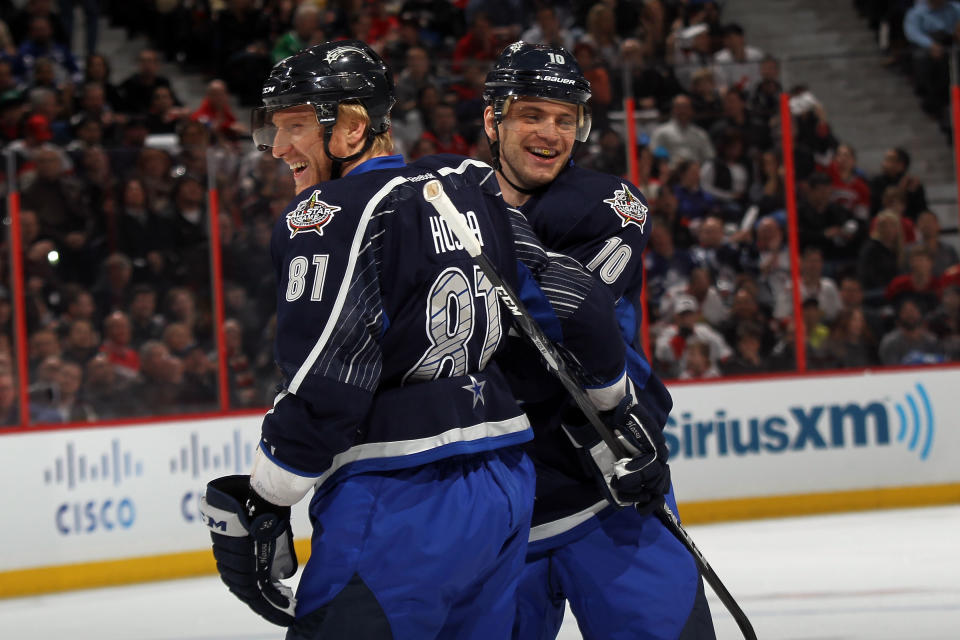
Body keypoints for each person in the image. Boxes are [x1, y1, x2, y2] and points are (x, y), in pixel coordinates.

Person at [200, 41, 641, 639]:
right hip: (506, 489)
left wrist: (269, 496)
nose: (278, 147)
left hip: (401, 498)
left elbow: (330, 380)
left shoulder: (330, 212)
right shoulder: (467, 184)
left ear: (352, 128)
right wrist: (614, 406)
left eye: (296, 125)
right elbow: (579, 306)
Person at [481, 42, 716, 639]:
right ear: (493, 120)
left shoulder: (612, 207)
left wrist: (485, 232)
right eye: (532, 114)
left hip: (611, 490)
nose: (551, 133)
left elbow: (565, 324)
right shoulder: (447, 209)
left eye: (566, 118)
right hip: (499, 513)